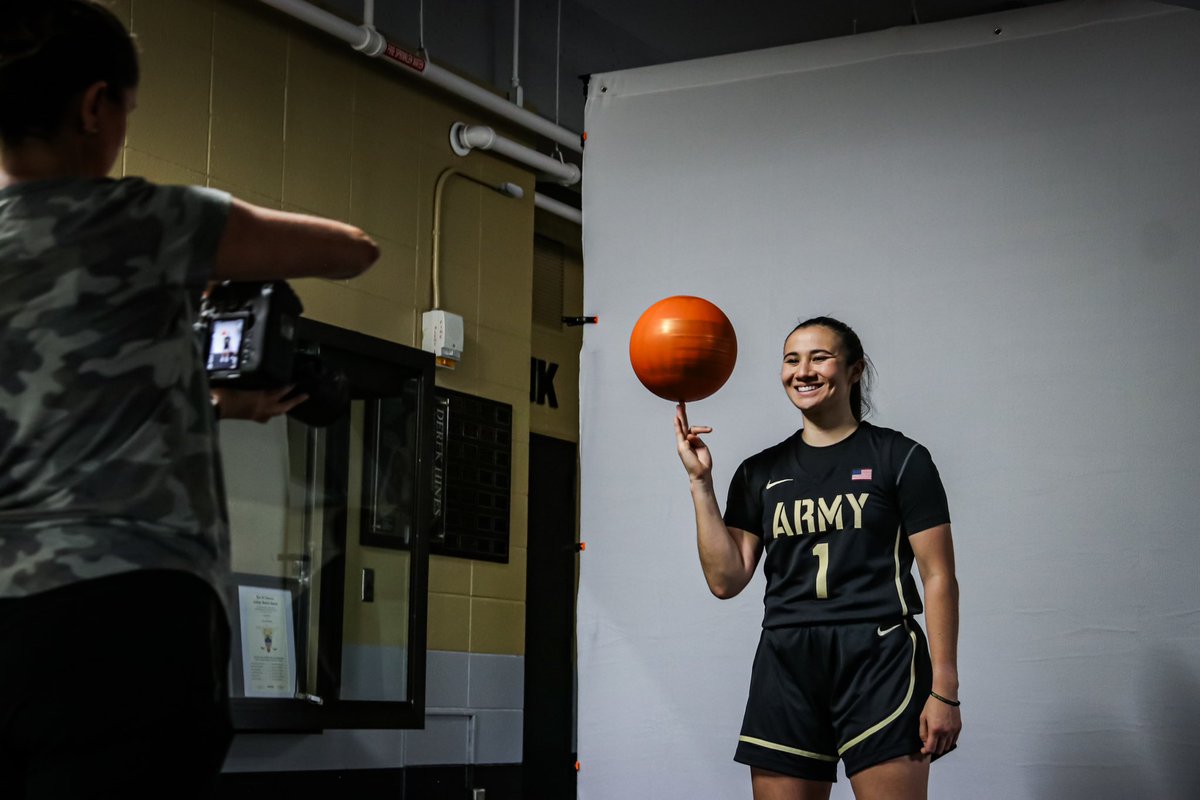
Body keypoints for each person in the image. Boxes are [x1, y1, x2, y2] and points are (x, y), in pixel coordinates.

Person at [0, 1, 379, 797]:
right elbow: (350, 251)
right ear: (95, 105)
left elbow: (47, 412)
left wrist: (215, 406)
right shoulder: (145, 219)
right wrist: (206, 259)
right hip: (127, 615)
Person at [674, 316, 961, 800]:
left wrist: (944, 689)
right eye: (791, 359)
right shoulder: (759, 471)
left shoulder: (901, 457)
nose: (802, 371)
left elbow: (939, 577)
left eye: (819, 357)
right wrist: (700, 482)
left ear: (854, 371)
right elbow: (726, 580)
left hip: (879, 654)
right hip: (786, 659)